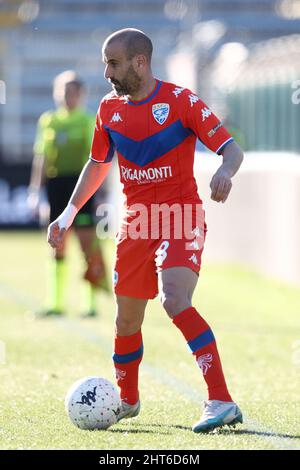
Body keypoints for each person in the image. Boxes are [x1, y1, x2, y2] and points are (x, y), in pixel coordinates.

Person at [47, 29, 244, 433]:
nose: (107, 72)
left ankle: (221, 399)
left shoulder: (180, 101)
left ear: (140, 62)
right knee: (126, 321)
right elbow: (98, 163)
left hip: (180, 214)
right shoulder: (108, 109)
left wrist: (225, 170)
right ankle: (128, 399)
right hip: (136, 222)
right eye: (105, 63)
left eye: (114, 63)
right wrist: (67, 214)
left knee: (174, 298)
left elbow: (231, 149)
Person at [29, 70, 108, 318]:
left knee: (87, 246)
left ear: (82, 95)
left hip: (81, 188)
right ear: (56, 93)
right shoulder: (49, 121)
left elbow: (98, 161)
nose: (68, 97)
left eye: (73, 92)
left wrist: (101, 192)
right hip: (56, 187)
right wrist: (35, 191)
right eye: (64, 91)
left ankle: (90, 304)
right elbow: (42, 157)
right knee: (57, 245)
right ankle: (55, 302)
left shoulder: (88, 120)